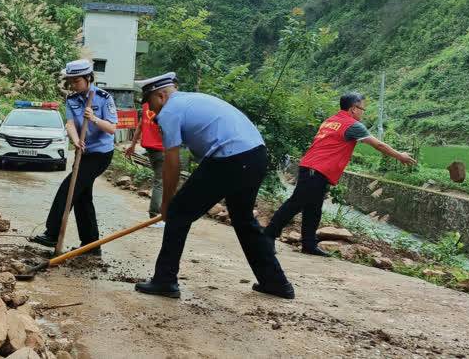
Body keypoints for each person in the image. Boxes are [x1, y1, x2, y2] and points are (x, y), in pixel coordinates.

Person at [133, 73, 294, 299]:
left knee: (179, 212)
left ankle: (165, 280)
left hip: (231, 157)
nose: (152, 110)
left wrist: (167, 204)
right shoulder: (192, 100)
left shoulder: (170, 111)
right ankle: (276, 283)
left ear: (160, 95)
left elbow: (172, 163)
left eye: (150, 103)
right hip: (255, 155)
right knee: (243, 218)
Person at [264, 93, 416, 255]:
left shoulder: (330, 121)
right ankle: (268, 235)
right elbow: (378, 145)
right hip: (317, 169)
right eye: (362, 108)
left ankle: (308, 244)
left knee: (313, 208)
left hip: (311, 167)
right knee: (296, 203)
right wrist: (400, 156)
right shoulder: (353, 125)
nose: (363, 112)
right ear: (353, 109)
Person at [30, 59, 118, 255]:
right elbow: (70, 123)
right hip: (83, 152)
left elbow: (112, 128)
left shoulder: (104, 98)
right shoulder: (71, 99)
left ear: (88, 78)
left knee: (69, 188)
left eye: (76, 81)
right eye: (70, 81)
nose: (73, 85)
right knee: (82, 197)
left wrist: (94, 118)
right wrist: (76, 140)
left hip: (101, 154)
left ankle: (52, 232)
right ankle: (91, 245)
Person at [124, 95, 169, 228]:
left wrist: (132, 146)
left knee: (160, 180)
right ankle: (154, 216)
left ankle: (159, 213)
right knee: (160, 181)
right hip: (160, 149)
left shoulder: (146, 105)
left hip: (149, 147)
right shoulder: (164, 106)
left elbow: (139, 126)